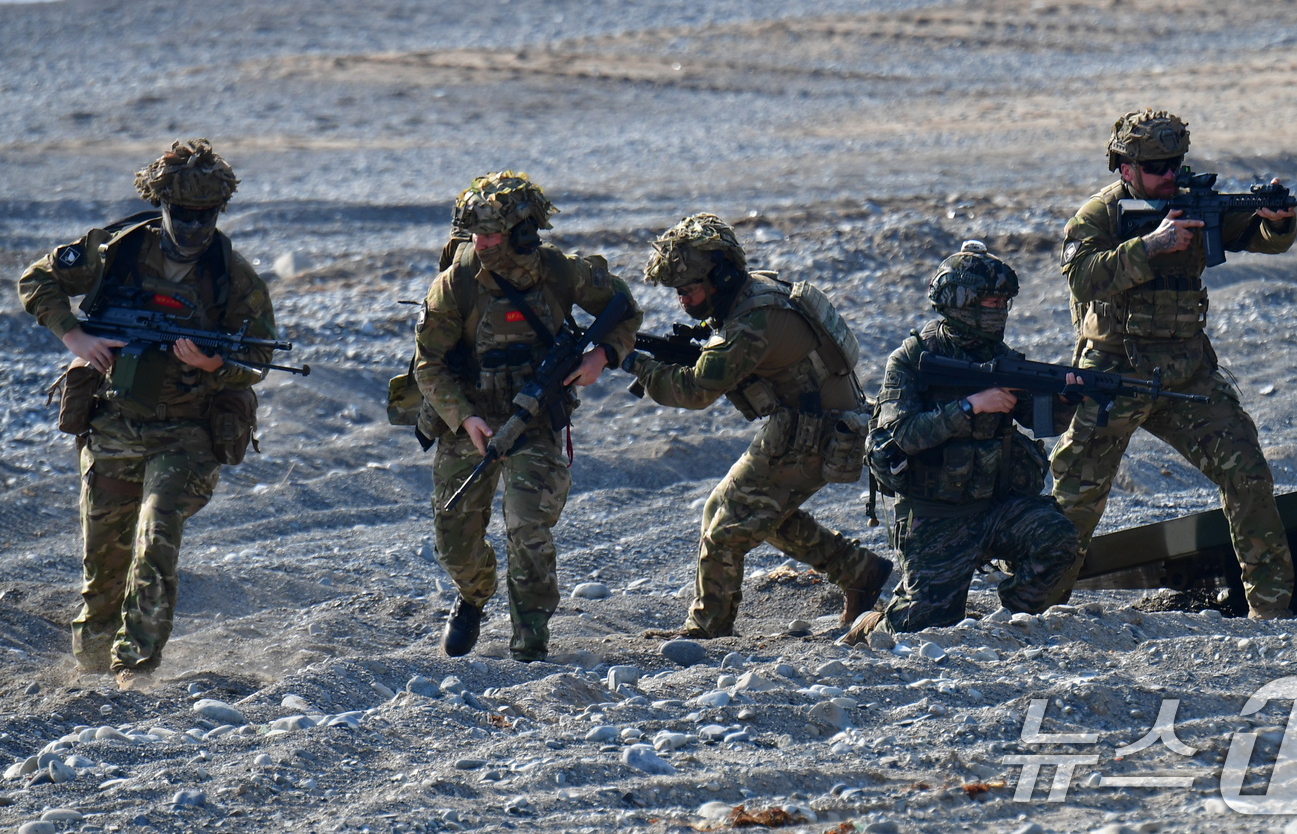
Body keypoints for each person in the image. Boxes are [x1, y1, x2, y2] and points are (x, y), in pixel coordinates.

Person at [16, 139, 276, 685]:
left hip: (188, 434)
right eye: (182, 214)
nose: (192, 226)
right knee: (104, 559)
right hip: (114, 422)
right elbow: (36, 280)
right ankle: (91, 664)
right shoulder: (118, 252)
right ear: (162, 205)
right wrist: (76, 336)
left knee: (156, 537)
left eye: (204, 215)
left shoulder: (232, 276)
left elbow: (258, 357)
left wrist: (212, 364)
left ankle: (136, 665)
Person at [1049, 109, 1297, 619]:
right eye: (1158, 165)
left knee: (1247, 472)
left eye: (1176, 163)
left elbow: (1260, 236)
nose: (1169, 175)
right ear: (1125, 167)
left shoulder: (1191, 201)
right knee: (1075, 498)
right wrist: (1151, 245)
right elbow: (1082, 278)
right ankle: (1031, 608)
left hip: (1187, 374)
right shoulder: (1098, 215)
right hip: (1115, 374)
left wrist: (1276, 220)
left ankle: (1271, 613)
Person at [624, 213, 892, 639]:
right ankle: (859, 570)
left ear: (722, 275)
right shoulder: (754, 296)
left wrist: (629, 359)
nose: (683, 301)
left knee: (726, 522)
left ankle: (708, 629)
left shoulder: (752, 321)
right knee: (765, 514)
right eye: (678, 292)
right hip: (814, 423)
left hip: (815, 433)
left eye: (689, 290)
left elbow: (695, 392)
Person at [414, 171, 641, 662]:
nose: (483, 244)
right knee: (454, 538)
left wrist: (602, 357)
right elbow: (427, 365)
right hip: (470, 419)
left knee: (527, 526)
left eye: (493, 234)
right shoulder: (456, 283)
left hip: (535, 421)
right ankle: (474, 594)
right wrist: (465, 418)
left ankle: (530, 637)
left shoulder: (560, 273)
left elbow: (625, 311)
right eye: (476, 235)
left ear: (523, 232)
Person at [845, 242, 1081, 639]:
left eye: (1004, 302)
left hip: (994, 507)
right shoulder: (913, 360)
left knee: (1058, 539)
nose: (999, 311)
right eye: (990, 302)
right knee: (924, 625)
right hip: (936, 513)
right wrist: (971, 407)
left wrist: (1065, 398)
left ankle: (1011, 625)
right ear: (961, 303)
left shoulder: (1002, 357)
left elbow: (1039, 421)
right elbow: (903, 434)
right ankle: (869, 624)